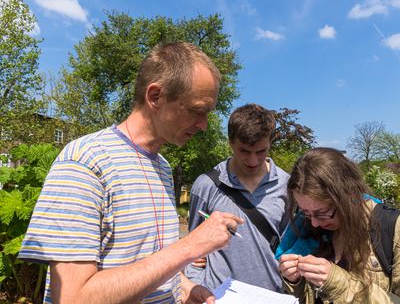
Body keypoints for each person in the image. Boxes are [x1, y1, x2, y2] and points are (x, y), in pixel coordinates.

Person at [18, 42, 244, 304]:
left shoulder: (161, 166)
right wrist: (191, 245)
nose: (204, 125)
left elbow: (144, 262)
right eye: (196, 110)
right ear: (155, 97)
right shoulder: (86, 161)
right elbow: (73, 297)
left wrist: (181, 288)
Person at [185, 103, 290, 292]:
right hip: (217, 296)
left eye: (261, 151)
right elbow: (192, 249)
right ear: (230, 142)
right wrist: (198, 286)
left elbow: (290, 246)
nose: (253, 160)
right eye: (244, 151)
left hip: (272, 296)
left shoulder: (287, 186)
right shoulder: (206, 185)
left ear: (270, 142)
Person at [278, 147, 400, 303]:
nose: (314, 223)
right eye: (305, 212)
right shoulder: (310, 229)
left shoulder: (393, 227)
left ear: (347, 197)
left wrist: (338, 283)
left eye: (322, 212)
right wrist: (295, 282)